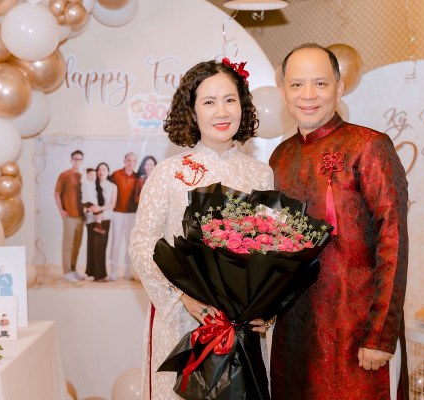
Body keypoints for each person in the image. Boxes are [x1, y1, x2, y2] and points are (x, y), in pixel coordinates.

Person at [268, 43, 409, 400]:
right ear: (283, 92)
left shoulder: (369, 146)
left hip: (356, 331)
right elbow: (271, 247)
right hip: (294, 332)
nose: (308, 95)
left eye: (320, 83)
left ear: (339, 87)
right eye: (297, 84)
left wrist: (381, 335)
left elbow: (393, 241)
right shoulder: (280, 157)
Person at [129, 58, 273, 399]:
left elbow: (270, 250)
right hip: (184, 320)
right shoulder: (169, 173)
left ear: (242, 105)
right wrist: (183, 297)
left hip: (241, 325)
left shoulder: (260, 173)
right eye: (209, 102)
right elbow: (142, 246)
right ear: (192, 112)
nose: (222, 111)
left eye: (230, 99)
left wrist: (266, 308)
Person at [55, 149, 86, 282]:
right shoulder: (64, 175)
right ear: (71, 160)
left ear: (82, 161)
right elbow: (57, 193)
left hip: (81, 216)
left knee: (77, 245)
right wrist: (61, 210)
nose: (77, 161)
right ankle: (67, 271)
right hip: (69, 215)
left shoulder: (83, 176)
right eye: (75, 159)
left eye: (80, 159)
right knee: (68, 244)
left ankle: (73, 269)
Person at [109, 152, 140, 281]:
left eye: (133, 161)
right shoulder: (116, 174)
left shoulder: (137, 177)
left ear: (135, 163)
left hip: (132, 214)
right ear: (124, 161)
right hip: (117, 213)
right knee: (116, 242)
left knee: (129, 243)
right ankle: (113, 270)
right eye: (128, 160)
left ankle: (128, 270)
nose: (130, 163)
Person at [85, 162, 117, 282]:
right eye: (99, 169)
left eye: (104, 169)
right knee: (92, 246)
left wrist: (100, 208)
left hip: (105, 219)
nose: (101, 172)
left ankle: (101, 274)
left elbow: (112, 204)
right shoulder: (91, 183)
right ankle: (94, 274)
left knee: (101, 246)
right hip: (91, 218)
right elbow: (85, 197)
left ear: (108, 172)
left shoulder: (112, 186)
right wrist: (90, 208)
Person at [82, 167, 106, 235]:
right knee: (98, 212)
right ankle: (98, 225)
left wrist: (96, 204)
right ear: (86, 176)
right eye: (90, 175)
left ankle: (98, 225)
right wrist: (84, 172)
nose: (93, 177)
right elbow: (83, 179)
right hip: (86, 202)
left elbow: (94, 196)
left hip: (92, 203)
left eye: (94, 175)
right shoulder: (85, 182)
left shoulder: (94, 184)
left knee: (98, 212)